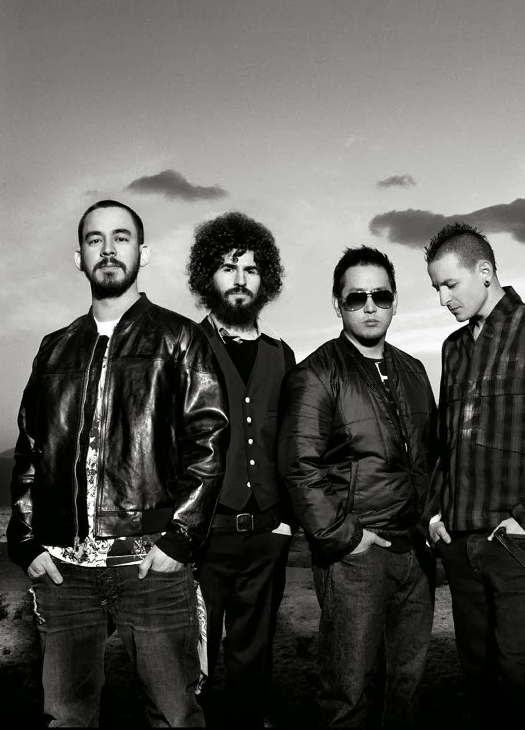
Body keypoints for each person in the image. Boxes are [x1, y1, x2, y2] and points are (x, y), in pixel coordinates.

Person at [7, 199, 230, 727]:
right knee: (67, 718)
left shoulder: (179, 338)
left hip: (149, 564)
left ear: (142, 253)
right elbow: (30, 450)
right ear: (79, 258)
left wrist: (179, 540)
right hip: (63, 573)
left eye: (121, 238)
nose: (108, 249)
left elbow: (209, 441)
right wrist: (26, 541)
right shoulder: (54, 349)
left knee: (175, 716)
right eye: (95, 240)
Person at [424, 222, 525, 725]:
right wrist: (435, 513)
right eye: (436, 288)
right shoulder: (452, 349)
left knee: (521, 683)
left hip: (514, 543)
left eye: (450, 284)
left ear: (485, 271)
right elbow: (445, 444)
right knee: (477, 683)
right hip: (459, 544)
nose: (443, 299)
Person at [278, 246, 438, 728]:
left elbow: (431, 456)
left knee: (406, 688)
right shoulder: (315, 373)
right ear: (337, 303)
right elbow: (299, 468)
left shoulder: (414, 370)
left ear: (395, 301)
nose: (370, 307)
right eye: (356, 298)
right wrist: (346, 538)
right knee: (349, 693)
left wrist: (430, 520)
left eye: (380, 296)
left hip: (415, 553)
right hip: (356, 556)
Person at [186, 212, 296, 727]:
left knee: (255, 654)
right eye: (228, 267)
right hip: (206, 533)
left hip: (267, 533)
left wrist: (286, 521)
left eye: (251, 269)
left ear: (264, 279)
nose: (239, 279)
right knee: (195, 656)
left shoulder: (281, 354)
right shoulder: (184, 345)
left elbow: (292, 444)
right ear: (207, 276)